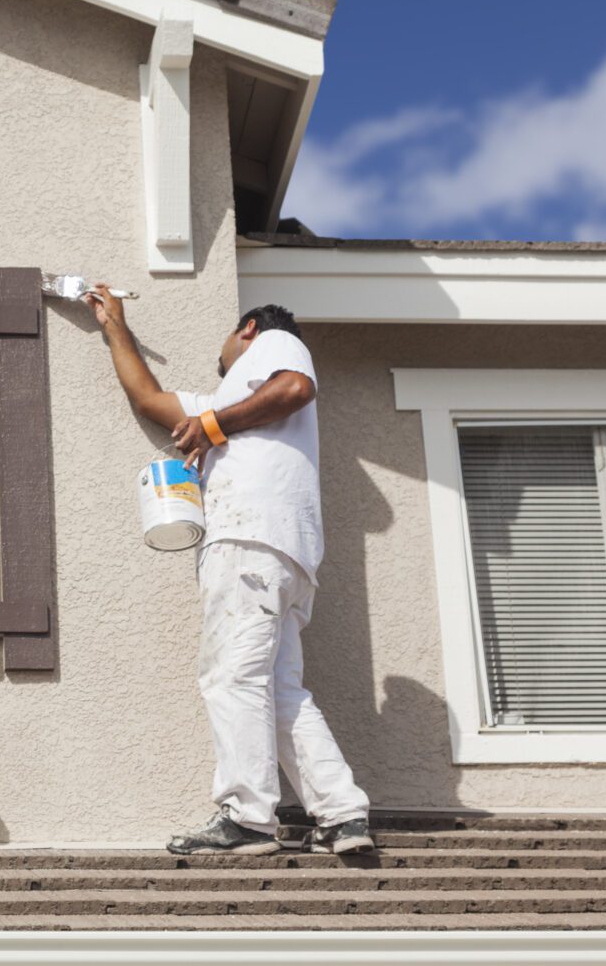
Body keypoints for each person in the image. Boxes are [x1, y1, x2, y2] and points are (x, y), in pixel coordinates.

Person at [86, 288, 374, 856]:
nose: (225, 373)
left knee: (231, 677)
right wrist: (114, 325)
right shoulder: (227, 400)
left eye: (227, 360)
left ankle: (247, 816)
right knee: (279, 688)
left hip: (249, 541)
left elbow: (294, 388)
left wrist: (213, 424)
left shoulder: (275, 342)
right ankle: (342, 815)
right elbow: (149, 399)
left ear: (247, 330)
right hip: (284, 553)